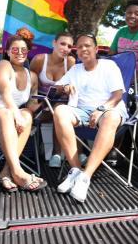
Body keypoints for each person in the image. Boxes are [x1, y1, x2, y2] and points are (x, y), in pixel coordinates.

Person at [52, 33, 128, 202]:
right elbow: (56, 88)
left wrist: (101, 109)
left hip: (109, 109)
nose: (83, 49)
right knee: (60, 111)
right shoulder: (75, 69)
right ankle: (76, 170)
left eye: (87, 45)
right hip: (82, 111)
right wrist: (65, 87)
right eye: (79, 47)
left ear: (96, 48)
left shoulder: (109, 66)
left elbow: (117, 96)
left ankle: (85, 177)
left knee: (110, 118)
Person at [0, 29, 47, 193]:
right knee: (8, 113)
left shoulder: (32, 76)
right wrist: (16, 114)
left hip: (12, 118)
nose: (19, 52)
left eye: (23, 49)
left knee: (27, 114)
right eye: (15, 49)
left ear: (28, 51)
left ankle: (7, 171)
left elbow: (31, 104)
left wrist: (47, 103)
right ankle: (18, 172)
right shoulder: (3, 65)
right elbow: (5, 94)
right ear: (7, 51)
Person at [29, 31, 86, 168]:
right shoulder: (39, 60)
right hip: (42, 104)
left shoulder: (70, 62)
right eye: (62, 44)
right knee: (59, 109)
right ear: (54, 43)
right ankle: (58, 153)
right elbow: (30, 84)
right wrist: (34, 105)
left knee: (63, 109)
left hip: (63, 104)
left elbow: (75, 85)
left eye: (69, 46)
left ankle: (70, 153)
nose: (65, 48)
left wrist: (67, 88)